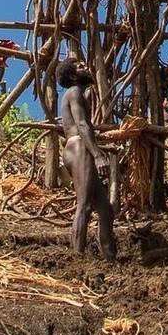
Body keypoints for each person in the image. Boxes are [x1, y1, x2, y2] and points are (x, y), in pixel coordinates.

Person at [57, 57, 117, 260]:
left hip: (80, 147)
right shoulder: (74, 92)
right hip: (79, 147)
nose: (87, 68)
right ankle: (77, 259)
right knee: (84, 204)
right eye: (81, 67)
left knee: (105, 209)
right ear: (73, 75)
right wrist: (97, 153)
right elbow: (82, 125)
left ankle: (110, 259)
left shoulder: (77, 94)